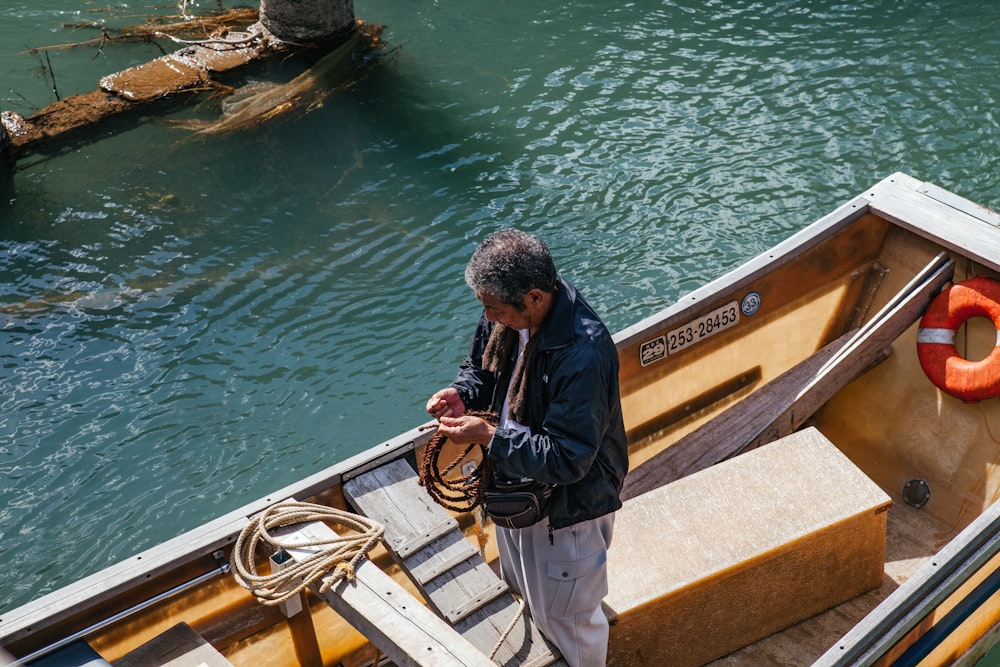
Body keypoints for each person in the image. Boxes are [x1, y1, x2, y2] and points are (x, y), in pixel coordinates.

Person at [426, 228, 628, 667]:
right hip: (516, 490)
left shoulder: (583, 354)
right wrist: (463, 392)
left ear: (534, 298)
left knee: (570, 618)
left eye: (494, 309)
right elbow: (481, 368)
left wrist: (488, 437)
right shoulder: (505, 314)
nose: (487, 317)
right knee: (525, 591)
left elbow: (568, 457)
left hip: (567, 510)